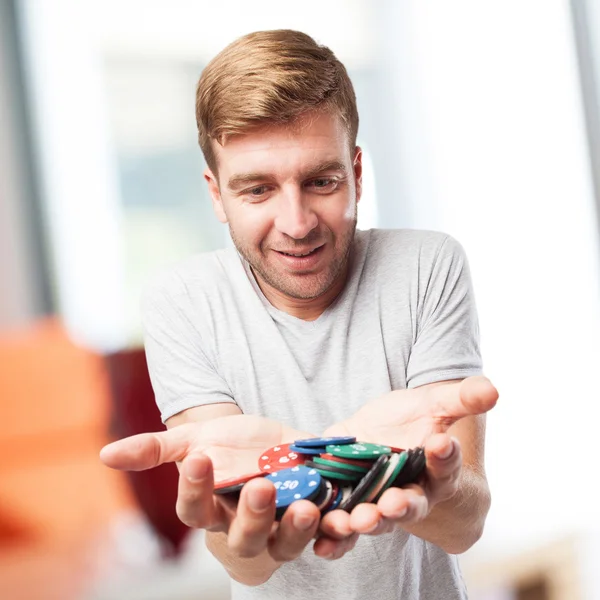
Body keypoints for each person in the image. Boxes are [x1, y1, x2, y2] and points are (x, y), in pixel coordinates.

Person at [100, 29, 499, 600]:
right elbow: (244, 563)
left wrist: (425, 479)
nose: (297, 222)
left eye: (321, 182)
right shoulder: (180, 299)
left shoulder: (425, 264)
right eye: (257, 190)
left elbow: (465, 526)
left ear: (357, 174)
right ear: (216, 195)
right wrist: (245, 521)